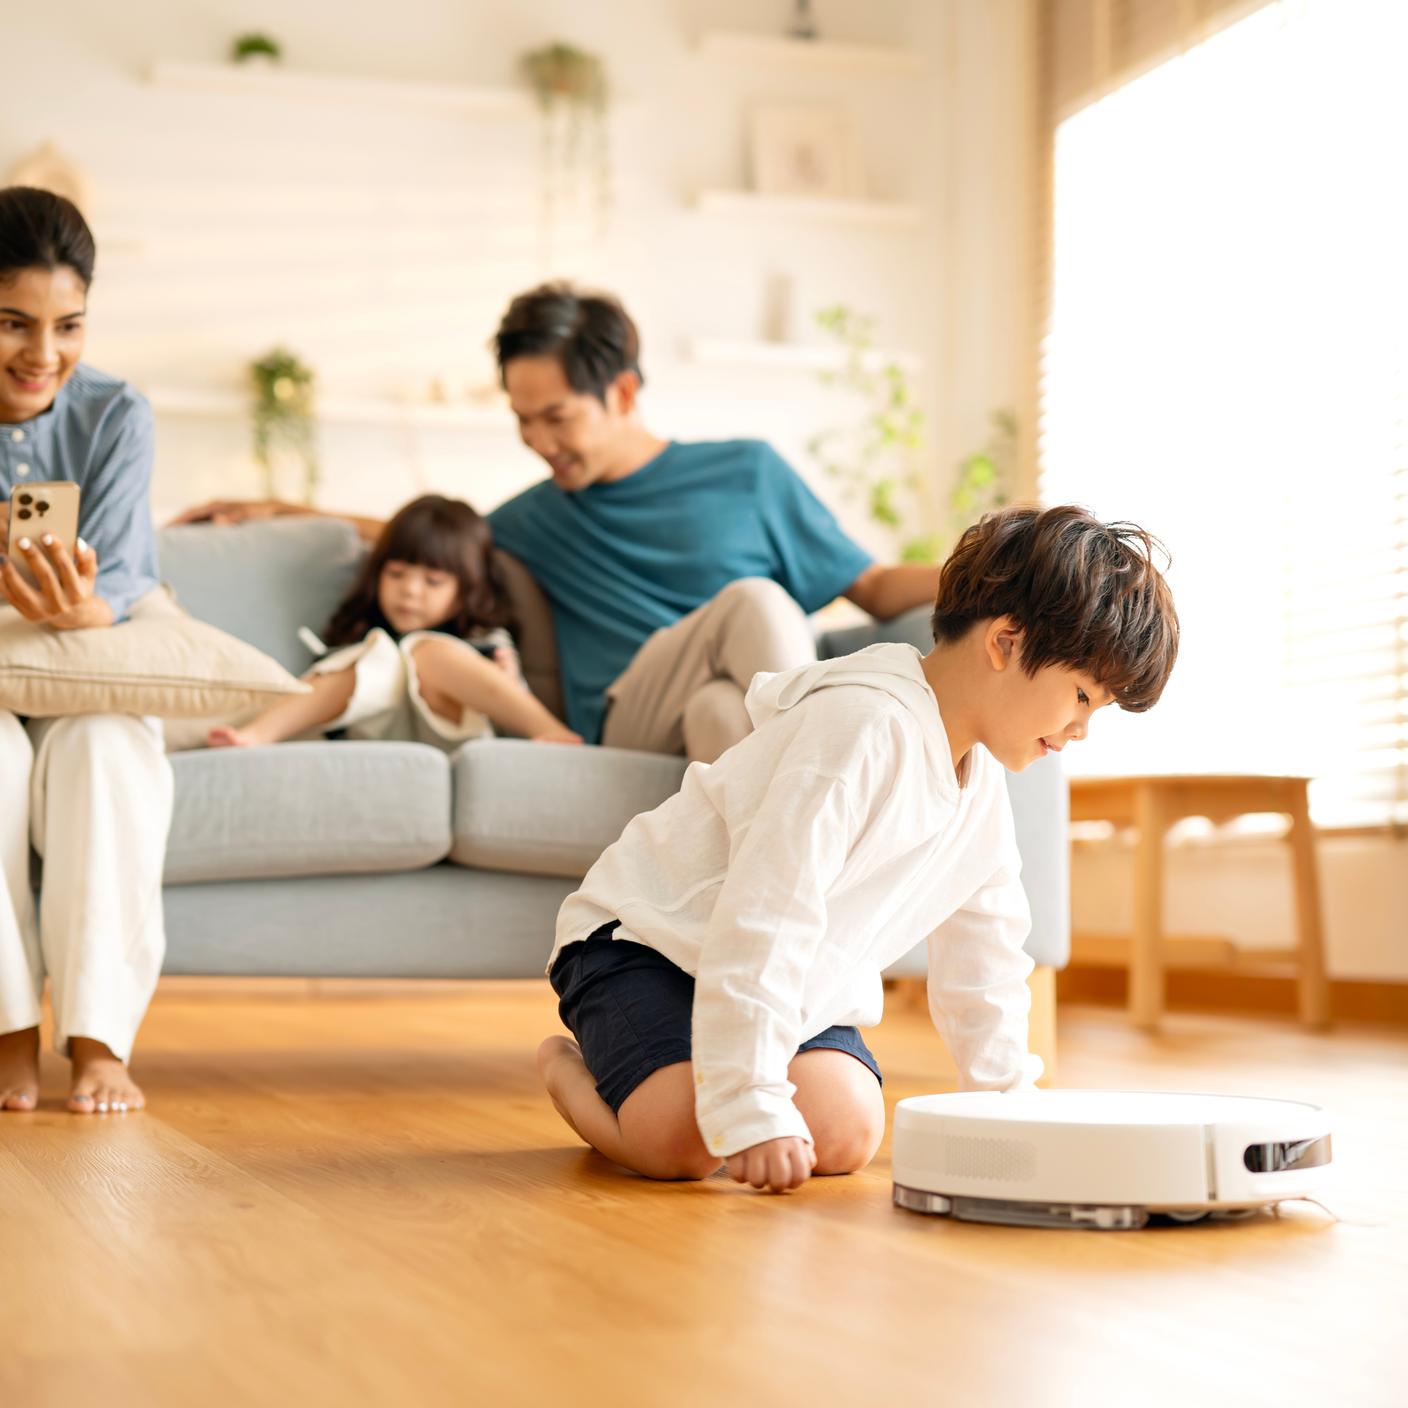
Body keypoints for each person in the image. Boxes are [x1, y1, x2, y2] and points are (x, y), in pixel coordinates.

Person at [538, 505, 1179, 1192]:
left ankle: (710, 1069)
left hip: (787, 985)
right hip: (648, 943)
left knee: (846, 1132)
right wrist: (748, 1098)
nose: (1082, 728)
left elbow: (987, 955)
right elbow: (765, 914)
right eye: (1081, 695)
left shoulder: (982, 786)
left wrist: (1009, 1105)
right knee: (684, 1141)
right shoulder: (861, 729)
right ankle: (564, 1069)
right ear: (1005, 643)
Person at [172, 282, 942, 763]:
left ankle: (765, 977)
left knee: (724, 698)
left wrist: (1003, 567)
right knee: (755, 601)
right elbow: (412, 532)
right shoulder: (537, 519)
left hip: (732, 716)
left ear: (626, 394)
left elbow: (873, 585)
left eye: (557, 418)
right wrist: (279, 509)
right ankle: (822, 782)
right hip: (628, 718)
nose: (539, 443)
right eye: (521, 419)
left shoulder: (748, 472)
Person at [0, 187, 168, 1115]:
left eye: (68, 325)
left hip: (84, 659)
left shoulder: (114, 414)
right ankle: (7, 1031)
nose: (43, 355)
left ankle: (100, 1042)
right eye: (12, 323)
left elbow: (124, 580)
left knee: (104, 750)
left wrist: (80, 609)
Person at [207, 494, 580, 751]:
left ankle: (552, 732)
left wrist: (510, 681)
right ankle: (254, 736)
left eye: (433, 582)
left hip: (451, 727)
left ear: (465, 590)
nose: (410, 591)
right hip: (370, 728)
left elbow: (501, 693)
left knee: (427, 653)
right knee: (374, 659)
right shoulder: (363, 635)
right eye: (397, 574)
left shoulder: (483, 638)